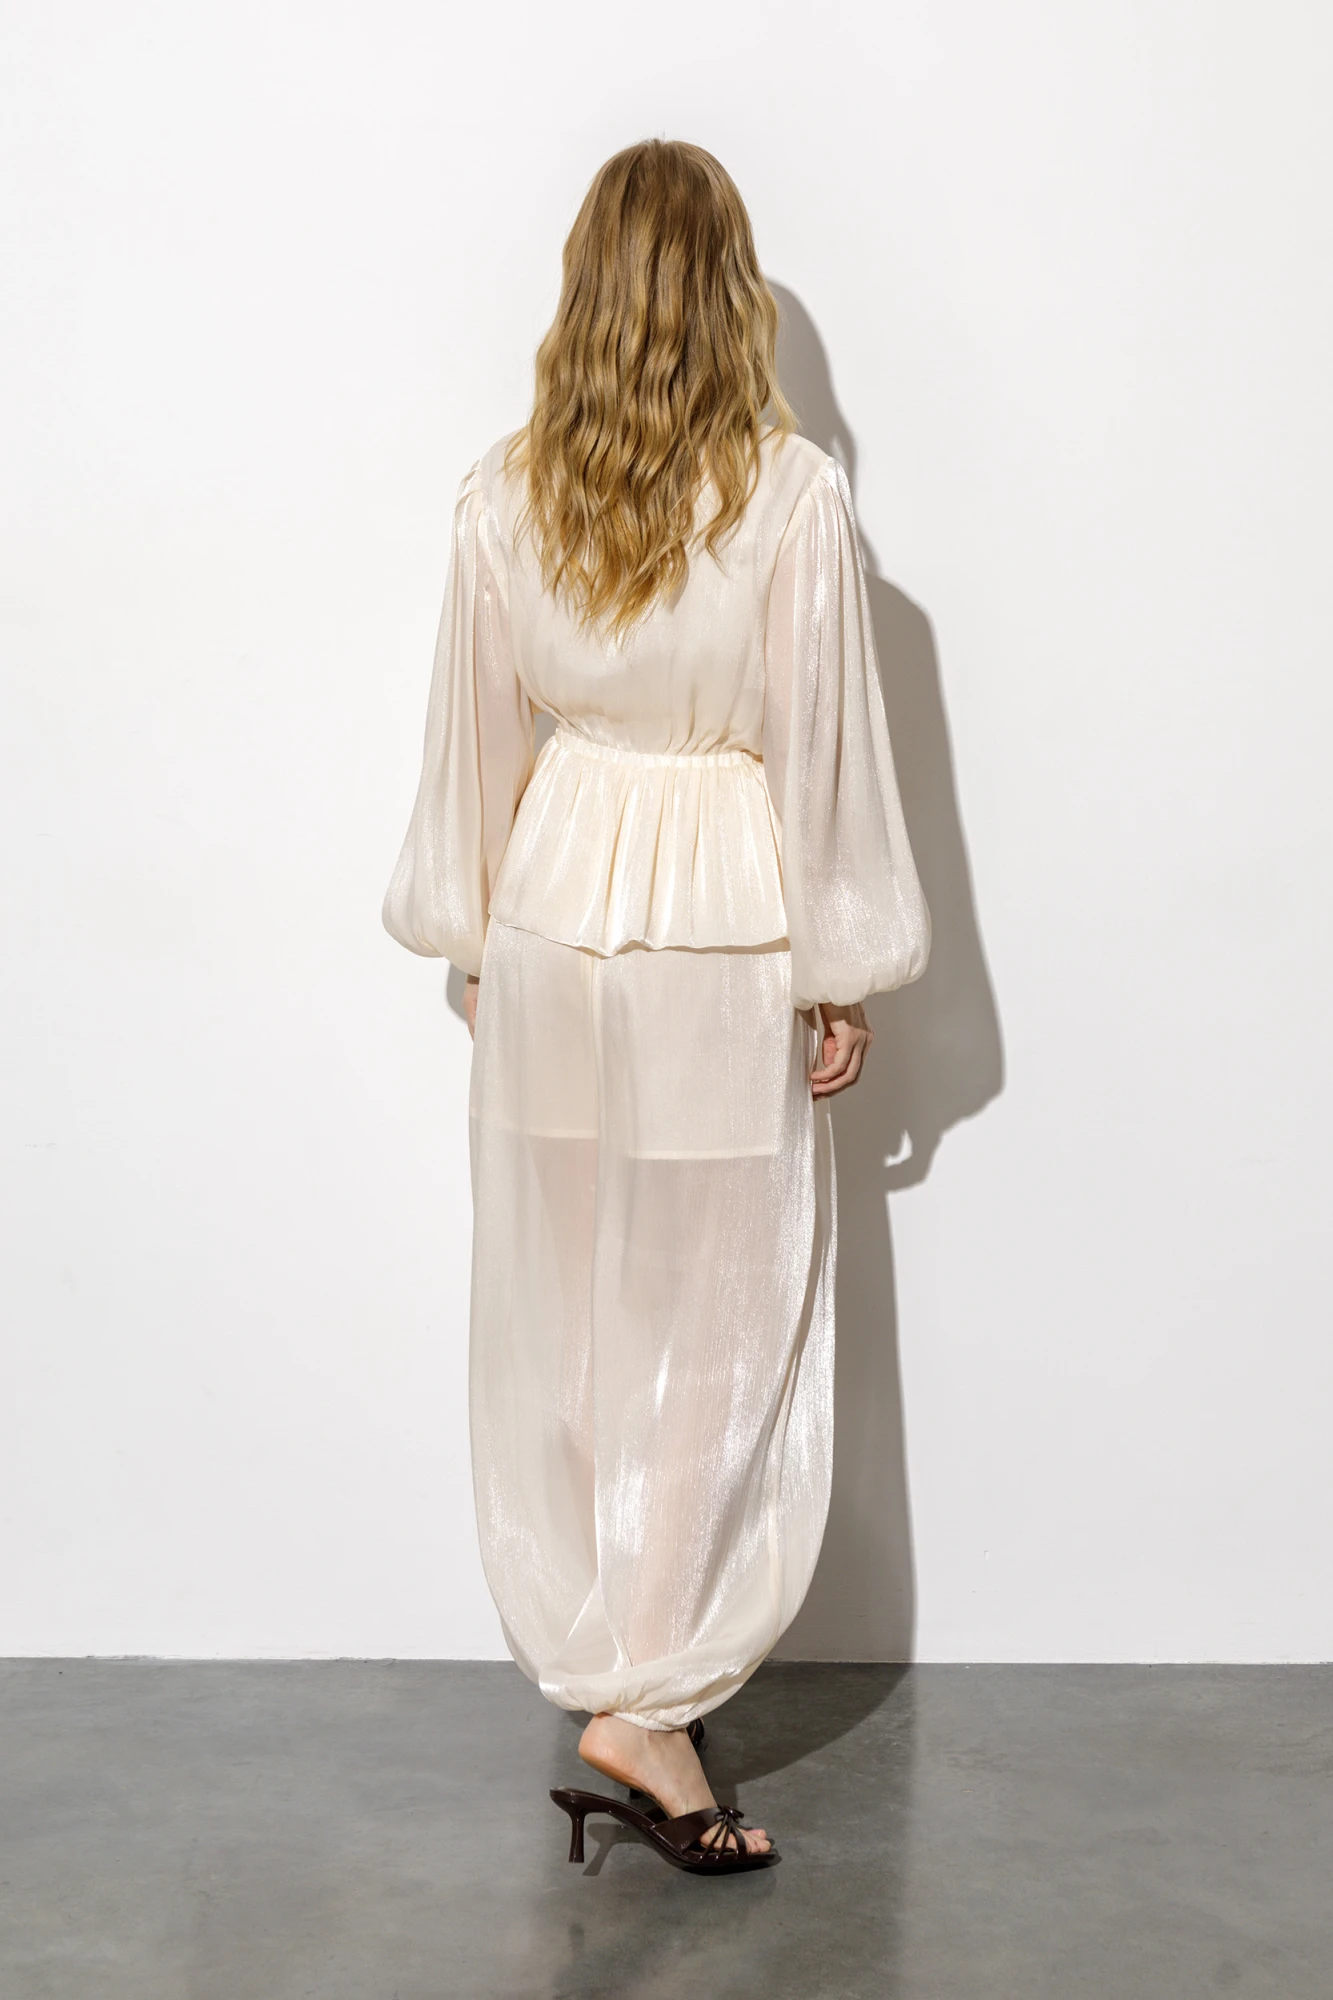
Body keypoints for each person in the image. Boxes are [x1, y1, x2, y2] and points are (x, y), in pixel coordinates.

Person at [383, 138, 929, 1874]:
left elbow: (472, 742)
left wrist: (480, 944)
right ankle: (650, 1700)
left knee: (572, 1310)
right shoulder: (791, 497)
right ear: (730, 291)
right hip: (715, 936)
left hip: (550, 931)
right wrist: (838, 970)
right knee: (717, 1320)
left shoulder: (502, 494)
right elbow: (818, 748)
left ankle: (615, 1670)